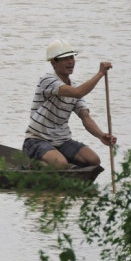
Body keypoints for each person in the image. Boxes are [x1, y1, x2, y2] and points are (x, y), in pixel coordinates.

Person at [23, 39, 117, 168]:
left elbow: (85, 117)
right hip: (37, 139)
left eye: (72, 57)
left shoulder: (74, 86)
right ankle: (33, 164)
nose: (70, 62)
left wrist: (101, 135)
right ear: (53, 63)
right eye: (65, 59)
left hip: (62, 141)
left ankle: (60, 165)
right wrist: (100, 74)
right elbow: (78, 92)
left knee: (93, 160)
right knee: (60, 164)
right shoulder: (47, 80)